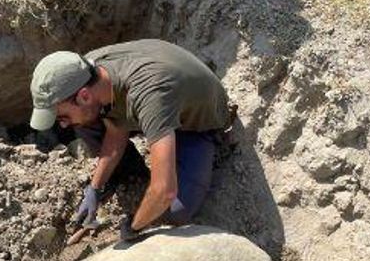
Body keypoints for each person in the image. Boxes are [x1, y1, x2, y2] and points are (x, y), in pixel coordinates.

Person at [29, 39, 232, 241]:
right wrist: (95, 187)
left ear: (84, 96)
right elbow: (116, 128)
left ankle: (199, 153)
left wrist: (136, 226)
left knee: (177, 210)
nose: (62, 125)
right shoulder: (87, 72)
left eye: (62, 117)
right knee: (84, 122)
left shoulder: (149, 96)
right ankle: (131, 175)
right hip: (160, 98)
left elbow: (164, 191)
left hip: (195, 121)